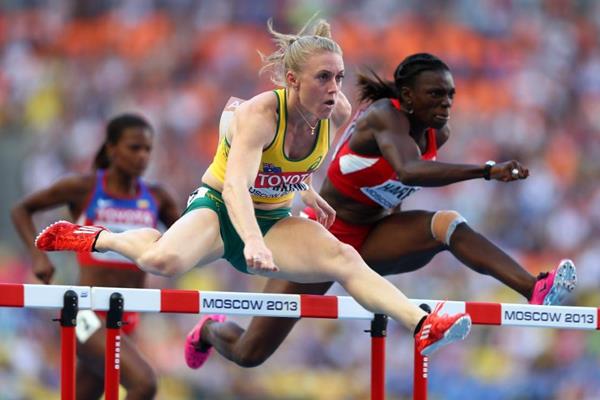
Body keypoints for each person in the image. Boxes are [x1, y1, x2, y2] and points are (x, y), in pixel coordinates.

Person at [33, 19, 472, 366]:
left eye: (338, 77)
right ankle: (98, 237)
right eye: (323, 78)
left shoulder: (334, 111)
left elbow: (296, 162)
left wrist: (304, 187)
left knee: (343, 258)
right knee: (163, 260)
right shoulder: (261, 114)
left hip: (274, 217)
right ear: (291, 80)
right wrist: (253, 240)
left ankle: (422, 324)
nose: (334, 89)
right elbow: (237, 187)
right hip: (221, 210)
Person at [179, 53, 578, 370]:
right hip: (323, 240)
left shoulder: (440, 131)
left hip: (373, 236)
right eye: (435, 95)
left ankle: (534, 289)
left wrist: (397, 226)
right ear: (406, 97)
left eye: (450, 95)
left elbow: (397, 187)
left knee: (447, 225)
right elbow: (408, 170)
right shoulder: (382, 117)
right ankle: (212, 331)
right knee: (251, 352)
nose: (445, 104)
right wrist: (487, 171)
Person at [12, 114, 180, 400]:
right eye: (134, 147)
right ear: (112, 148)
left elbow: (185, 239)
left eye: (147, 149)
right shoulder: (85, 187)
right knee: (144, 384)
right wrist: (38, 257)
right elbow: (22, 209)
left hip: (128, 316)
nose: (142, 156)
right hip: (86, 313)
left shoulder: (157, 197)